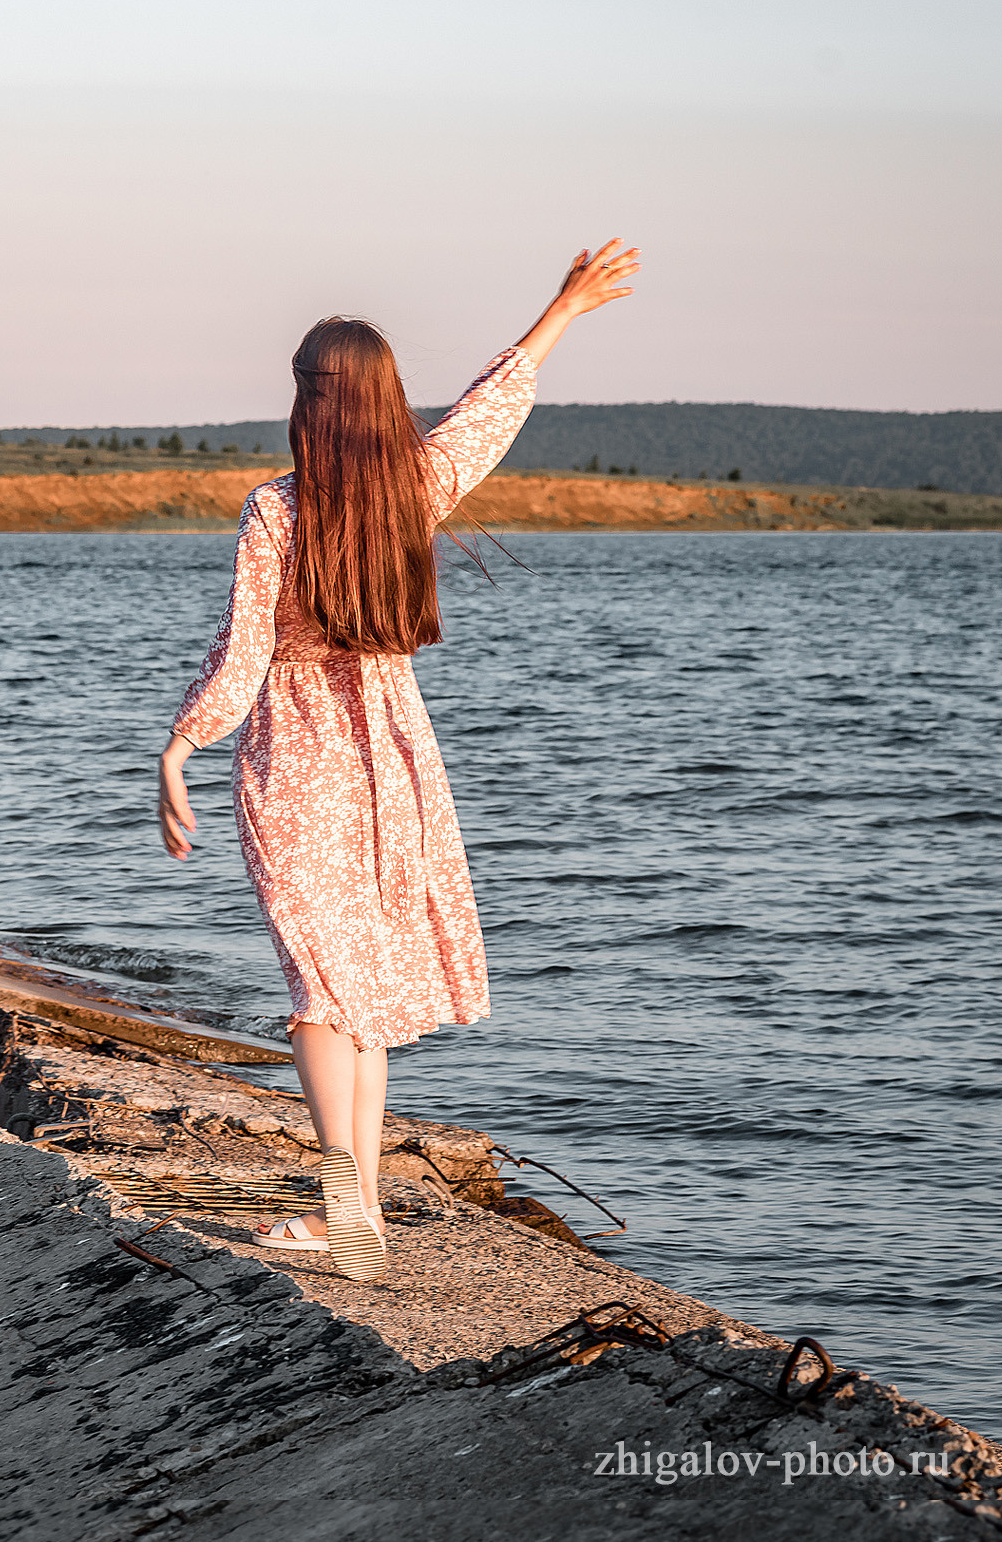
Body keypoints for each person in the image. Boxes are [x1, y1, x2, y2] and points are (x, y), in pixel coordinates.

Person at [156, 240, 641, 1282]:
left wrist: (180, 743)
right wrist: (561, 311)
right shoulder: (411, 488)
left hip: (298, 760)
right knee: (352, 988)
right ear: (382, 401)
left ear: (307, 401)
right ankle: (357, 1211)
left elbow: (242, 653)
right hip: (394, 757)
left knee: (323, 993)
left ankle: (346, 1211)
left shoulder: (275, 508)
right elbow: (489, 410)